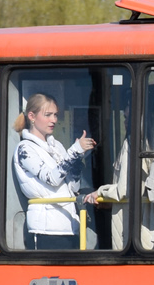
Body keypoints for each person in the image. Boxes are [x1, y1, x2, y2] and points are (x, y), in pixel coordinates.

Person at [12, 92, 96, 249]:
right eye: (48, 115)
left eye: (56, 115)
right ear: (31, 116)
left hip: (69, 225)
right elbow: (51, 178)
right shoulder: (25, 149)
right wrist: (74, 151)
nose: (54, 120)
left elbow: (73, 187)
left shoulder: (57, 146)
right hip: (45, 229)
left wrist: (77, 159)